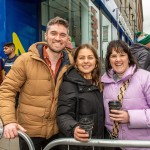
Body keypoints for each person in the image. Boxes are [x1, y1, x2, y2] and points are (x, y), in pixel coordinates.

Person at [0, 16, 73, 150]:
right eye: (53, 33)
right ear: (46, 35)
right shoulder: (25, 60)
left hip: (57, 133)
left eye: (62, 34)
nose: (58, 38)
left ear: (67, 38)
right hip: (28, 133)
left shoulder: (71, 63)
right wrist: (9, 121)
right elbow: (7, 90)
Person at [102, 40, 150, 150]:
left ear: (129, 58)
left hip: (141, 146)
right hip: (115, 145)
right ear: (109, 60)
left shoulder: (145, 78)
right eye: (113, 56)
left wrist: (130, 117)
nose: (118, 59)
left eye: (122, 55)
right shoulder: (105, 82)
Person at [57, 43, 104, 150]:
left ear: (96, 62)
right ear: (76, 63)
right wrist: (74, 128)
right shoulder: (69, 84)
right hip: (77, 145)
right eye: (81, 58)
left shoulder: (99, 83)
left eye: (90, 58)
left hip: (96, 144)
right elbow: (63, 115)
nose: (86, 61)